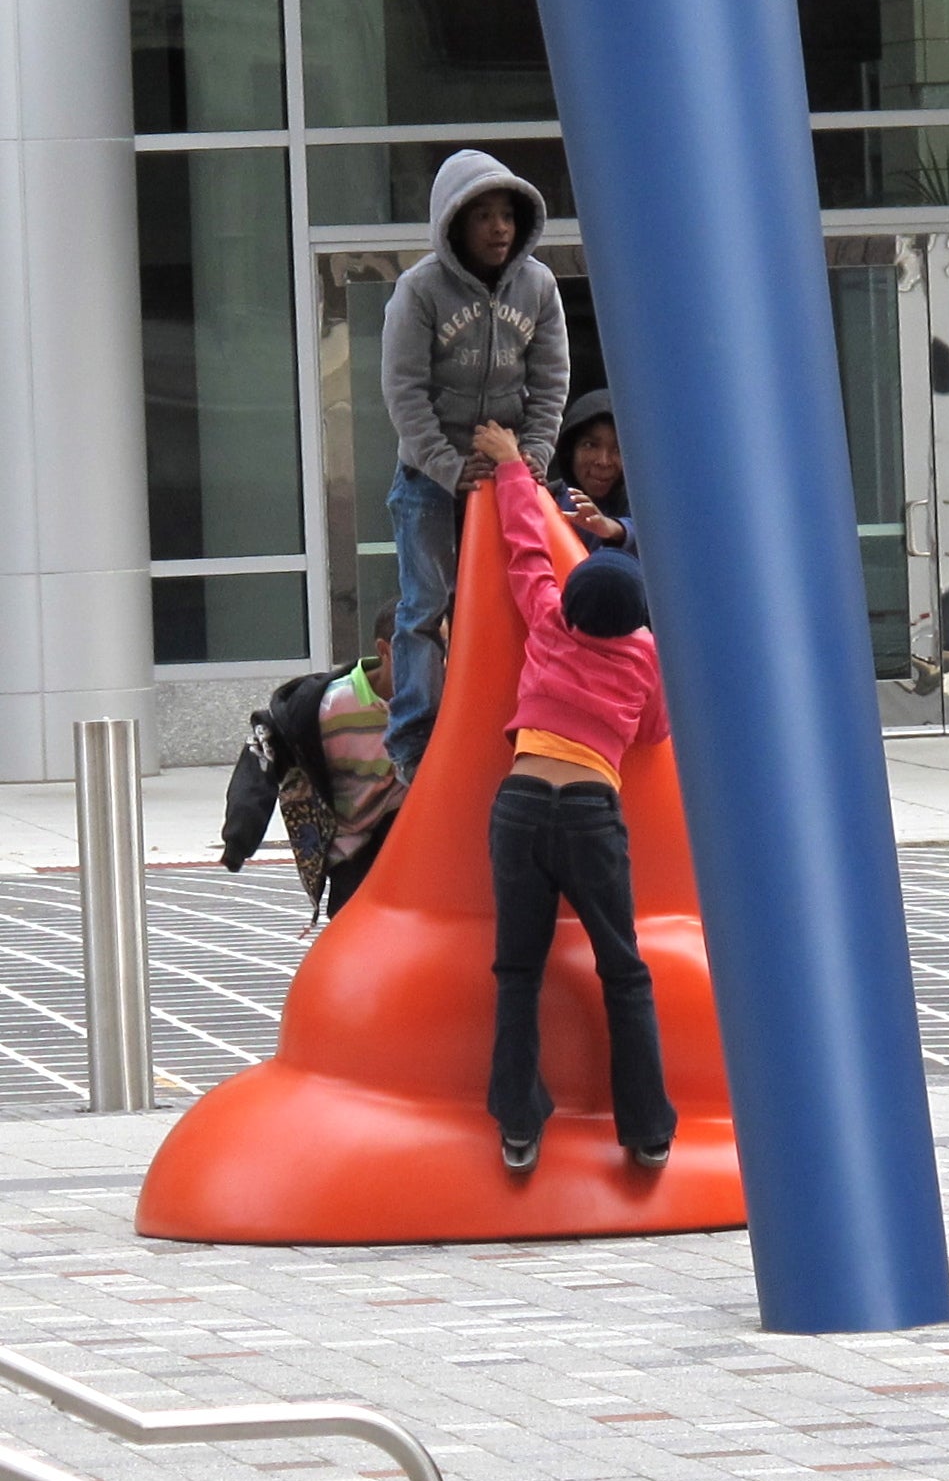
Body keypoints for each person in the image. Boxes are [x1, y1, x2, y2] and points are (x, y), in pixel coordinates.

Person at [472, 420, 676, 1176]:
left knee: (517, 969)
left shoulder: (550, 622)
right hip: (592, 813)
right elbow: (654, 733)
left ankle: (519, 1129)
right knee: (623, 969)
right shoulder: (645, 658)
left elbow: (527, 545)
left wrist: (509, 468)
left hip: (520, 802)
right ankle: (647, 1131)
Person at [381, 149, 571, 786]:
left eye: (508, 217)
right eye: (484, 216)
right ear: (455, 223)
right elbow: (403, 389)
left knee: (511, 603)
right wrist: (442, 464)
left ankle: (511, 728)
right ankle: (412, 745)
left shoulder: (539, 287)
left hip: (510, 472)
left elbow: (550, 381)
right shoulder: (419, 291)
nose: (499, 229)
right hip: (430, 480)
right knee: (424, 607)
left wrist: (535, 457)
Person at [219, 604, 407, 920]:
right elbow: (267, 747)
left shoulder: (439, 702)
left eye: (444, 651)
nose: (438, 663)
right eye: (421, 650)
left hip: (406, 839)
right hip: (351, 847)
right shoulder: (331, 706)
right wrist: (239, 838)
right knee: (353, 932)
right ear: (384, 650)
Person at [547, 388, 638, 555]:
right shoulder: (546, 499)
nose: (603, 461)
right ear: (570, 451)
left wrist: (613, 529)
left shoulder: (645, 506)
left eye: (618, 449)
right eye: (590, 445)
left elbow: (645, 533)